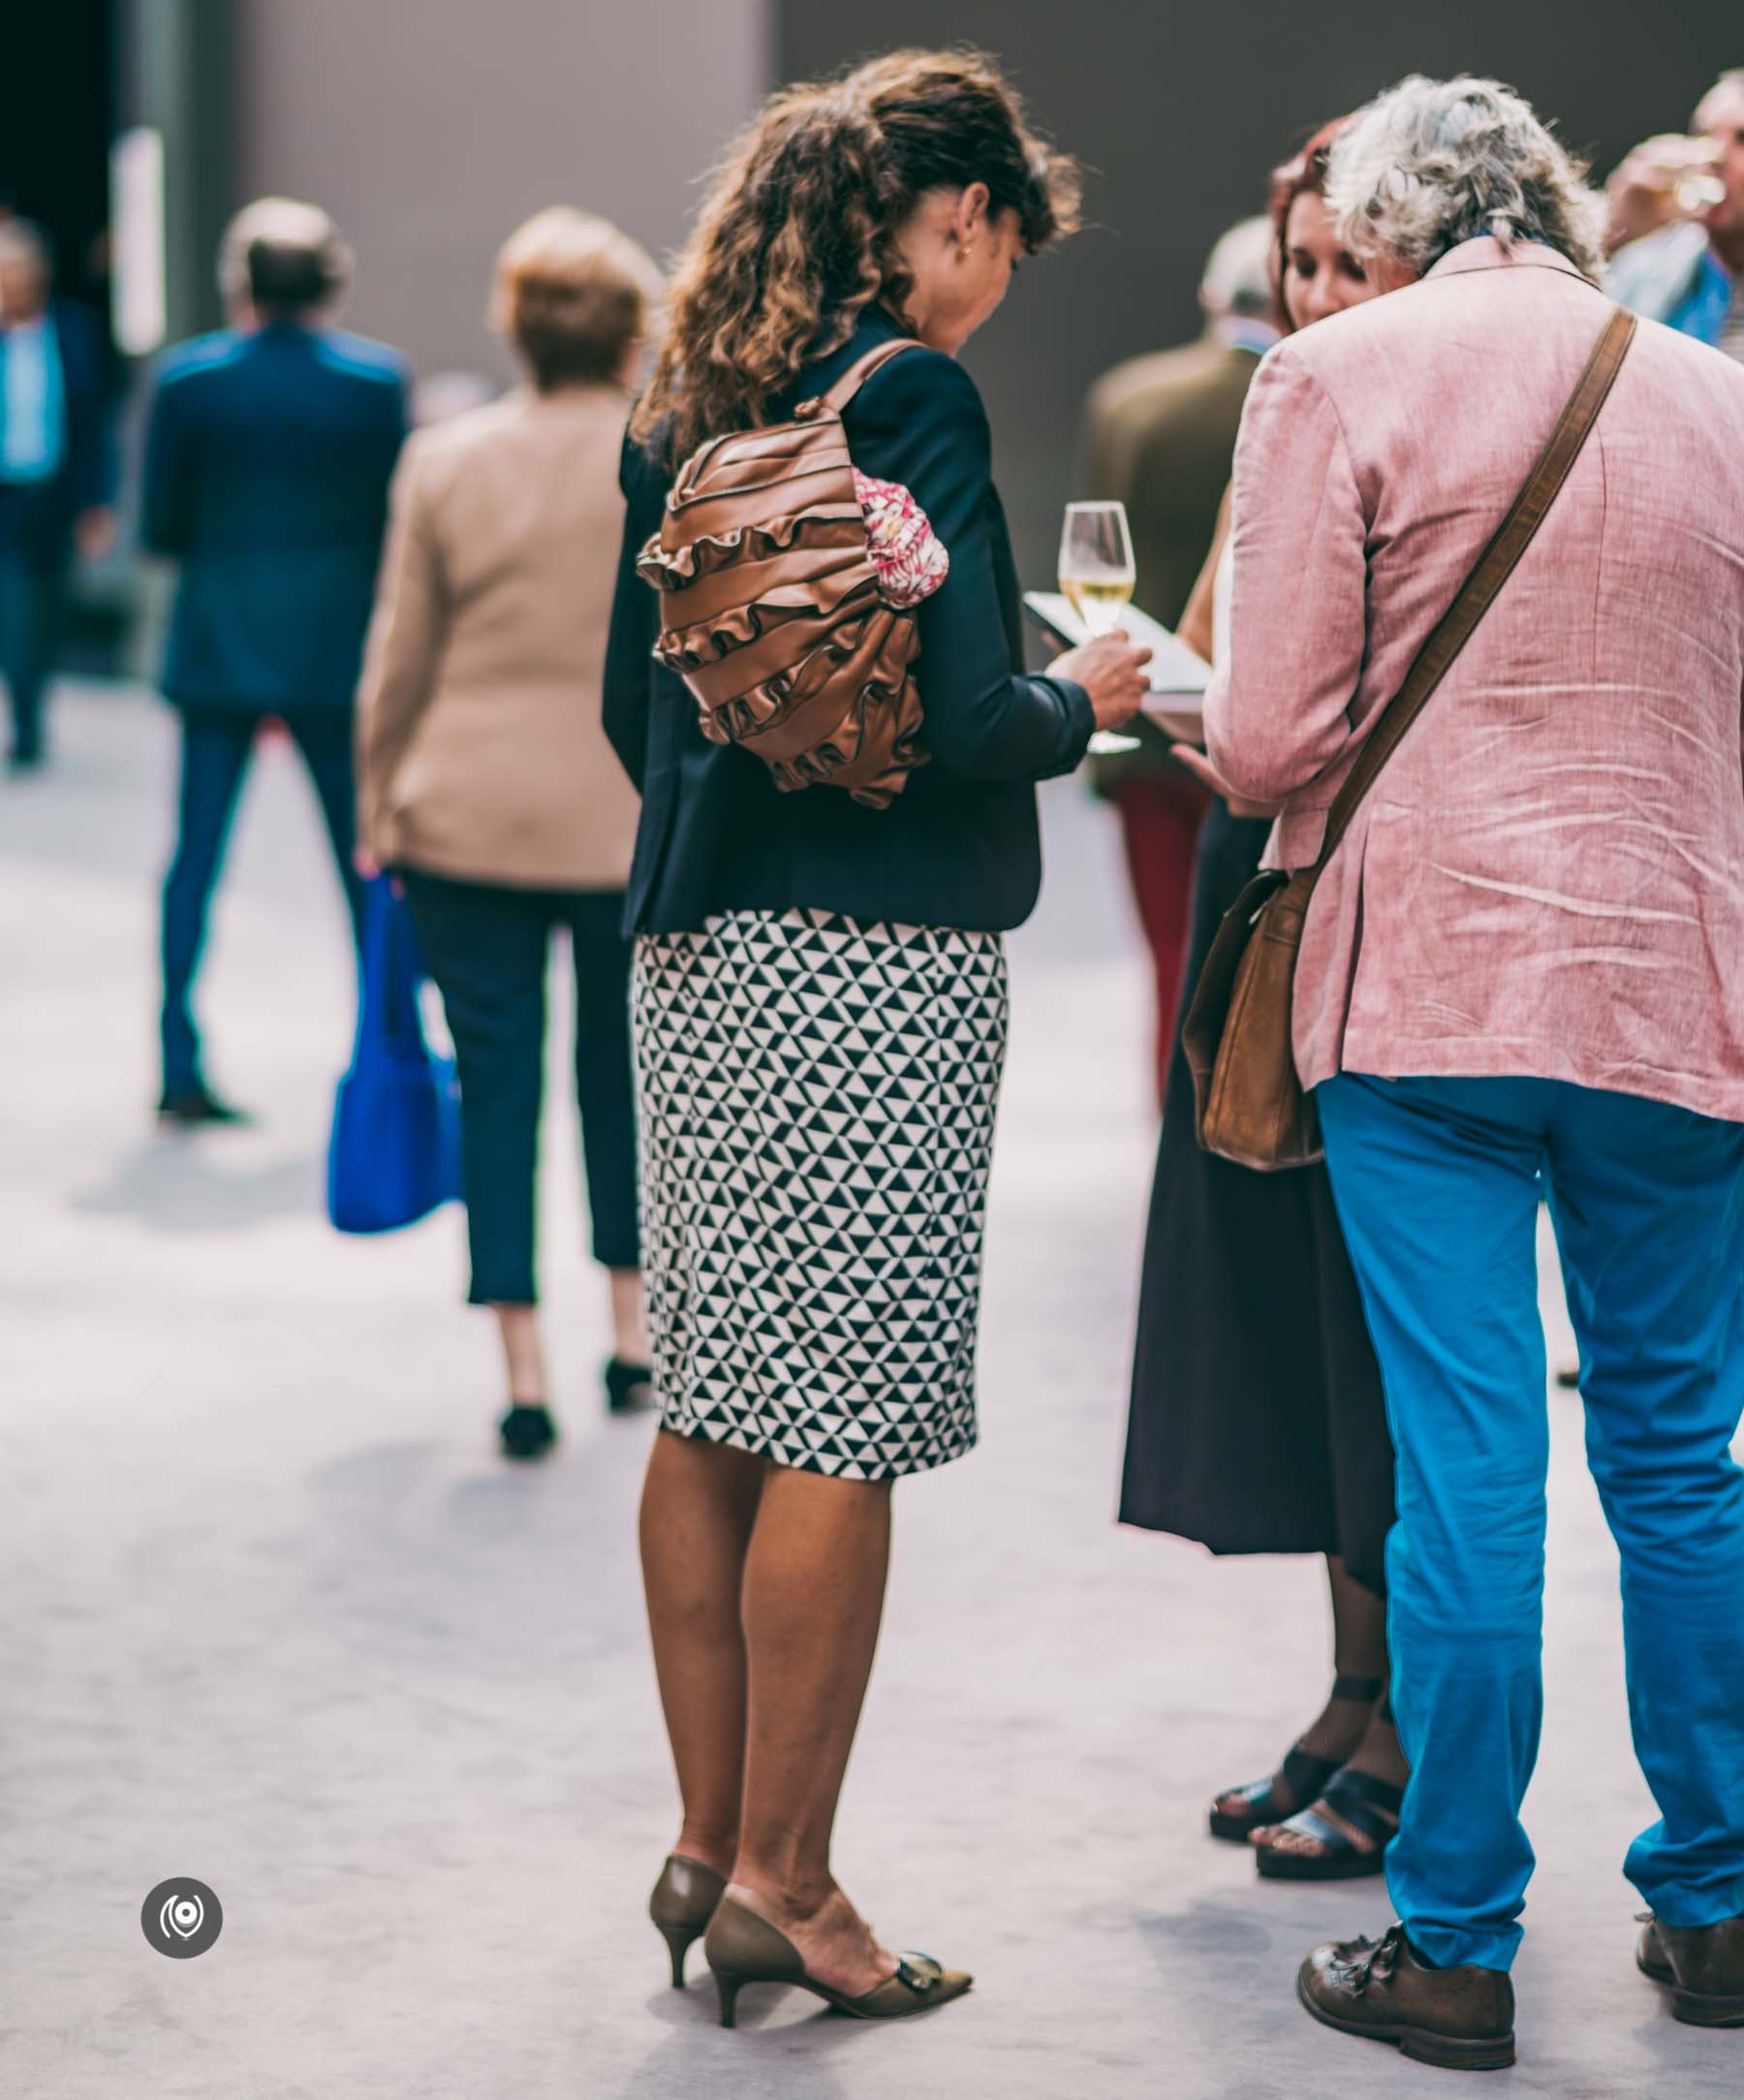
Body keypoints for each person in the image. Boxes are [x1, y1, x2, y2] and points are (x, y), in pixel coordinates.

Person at [1201, 75, 1744, 2069]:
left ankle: (1452, 1944)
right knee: (1685, 1462)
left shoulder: (1339, 374)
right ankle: (1721, 1899)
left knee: (1470, 1479)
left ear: (1396, 220)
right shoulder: (1718, 396)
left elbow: (1265, 749)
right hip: (1677, 990)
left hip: (1422, 995)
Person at [604, 49, 1148, 2027]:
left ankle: (701, 1835)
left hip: (692, 954)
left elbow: (632, 714)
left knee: (719, 1392)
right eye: (998, 238)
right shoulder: (908, 389)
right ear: (959, 220)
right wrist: (1084, 689)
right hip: (877, 968)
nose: (990, 273)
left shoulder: (684, 402)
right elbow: (968, 717)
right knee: (845, 1413)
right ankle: (795, 1883)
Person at [1121, 121, 1405, 1888]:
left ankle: (1402, 1729)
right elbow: (1226, 648)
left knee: (1381, 1346)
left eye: (1344, 267)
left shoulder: (1412, 428)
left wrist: (1201, 700)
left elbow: (1277, 710)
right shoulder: (1281, 421)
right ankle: (1352, 1684)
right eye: (1297, 266)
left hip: (1358, 905)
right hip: (1266, 899)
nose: (1311, 299)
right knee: (1310, 1336)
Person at [356, 207, 661, 1458]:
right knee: (617, 1077)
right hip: (622, 817)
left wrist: (378, 799)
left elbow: (399, 655)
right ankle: (633, 1334)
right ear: (634, 330)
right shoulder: (665, 455)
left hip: (465, 815)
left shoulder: (445, 459)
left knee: (497, 1082)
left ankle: (521, 1362)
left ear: (514, 326)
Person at [141, 199, 409, 1125]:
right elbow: (390, 527)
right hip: (332, 652)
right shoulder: (375, 385)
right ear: (330, 283)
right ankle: (390, 1051)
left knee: (194, 859)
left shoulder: (190, 383)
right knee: (363, 863)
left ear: (239, 285)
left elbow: (160, 526)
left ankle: (177, 1060)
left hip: (217, 642)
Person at [1076, 218, 1277, 1102]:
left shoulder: (1131, 398)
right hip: (1275, 724)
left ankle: (1177, 1128)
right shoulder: (1303, 397)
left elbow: (1093, 554)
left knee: (1170, 947)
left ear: (1209, 298)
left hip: (1147, 713)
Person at [0, 219, 114, 772]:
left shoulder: (73, 330)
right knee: (14, 608)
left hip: (55, 493)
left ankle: (33, 698)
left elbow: (93, 426)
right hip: (4, 497)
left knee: (47, 609)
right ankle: (26, 725)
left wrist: (97, 504)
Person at [1606, 68, 1744, 360]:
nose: (1714, 156)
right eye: (1702, 135)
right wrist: (1611, 231)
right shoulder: (1644, 267)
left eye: (1741, 139)